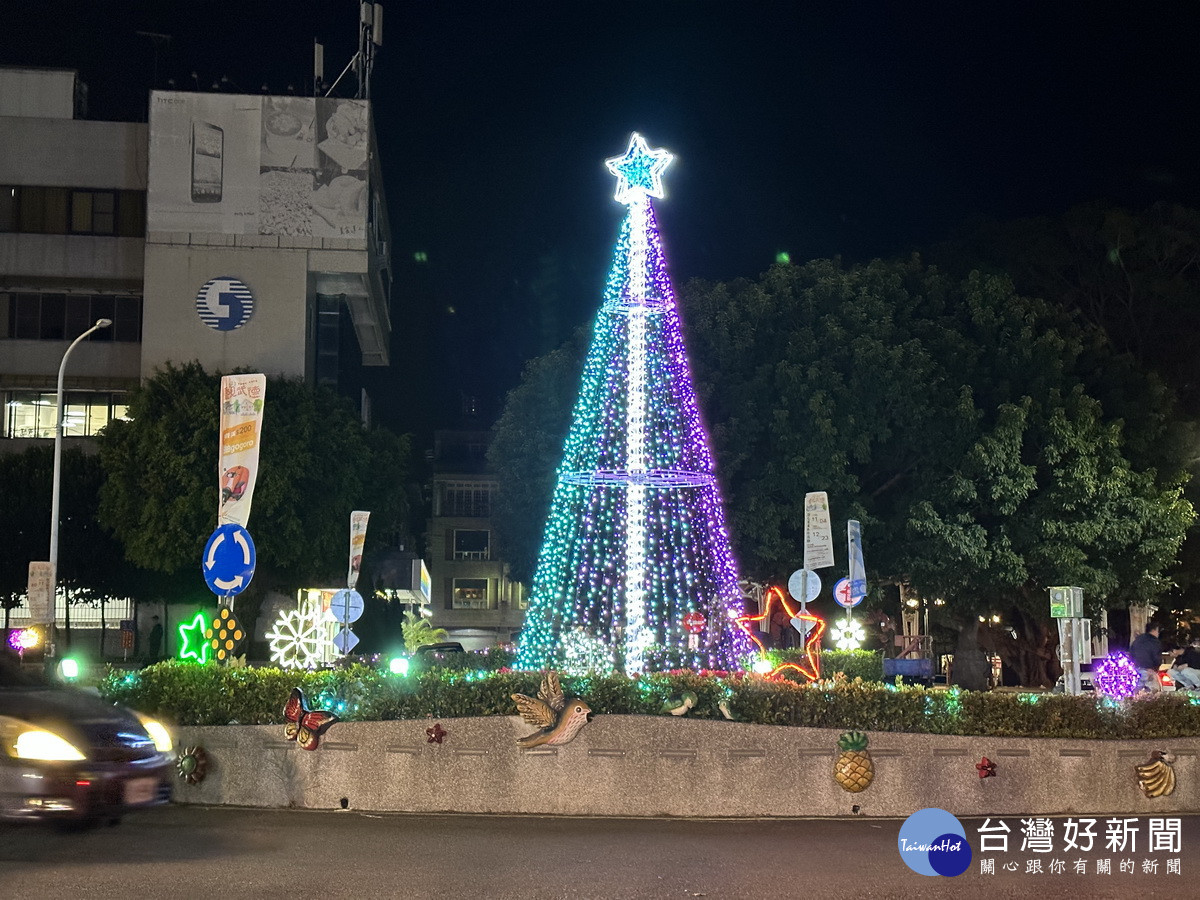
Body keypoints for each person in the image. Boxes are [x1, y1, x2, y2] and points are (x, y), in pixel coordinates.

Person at [1129, 623, 1164, 692]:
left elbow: (1131, 654)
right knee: (1154, 693)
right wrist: (1155, 668)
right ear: (1155, 630)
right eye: (1158, 631)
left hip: (1136, 669)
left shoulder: (1137, 640)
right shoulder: (1155, 642)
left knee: (1136, 693)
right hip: (1149, 671)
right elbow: (1156, 657)